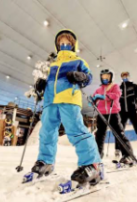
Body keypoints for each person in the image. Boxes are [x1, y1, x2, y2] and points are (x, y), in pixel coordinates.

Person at [30, 29, 102, 185]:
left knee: (76, 130)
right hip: (50, 100)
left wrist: (81, 76)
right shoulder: (52, 65)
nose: (64, 45)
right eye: (61, 43)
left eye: (67, 43)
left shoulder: (78, 61)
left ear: (73, 44)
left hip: (69, 98)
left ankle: (92, 164)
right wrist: (40, 85)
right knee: (46, 132)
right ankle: (45, 161)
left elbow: (88, 77)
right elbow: (45, 81)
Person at [93, 69, 134, 165]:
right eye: (103, 76)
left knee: (119, 134)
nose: (105, 78)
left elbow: (116, 95)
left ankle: (127, 155)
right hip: (101, 113)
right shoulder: (98, 89)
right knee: (99, 135)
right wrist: (93, 101)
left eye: (107, 76)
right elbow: (95, 98)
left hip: (113, 113)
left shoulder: (115, 86)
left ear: (111, 77)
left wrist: (104, 96)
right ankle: (97, 155)